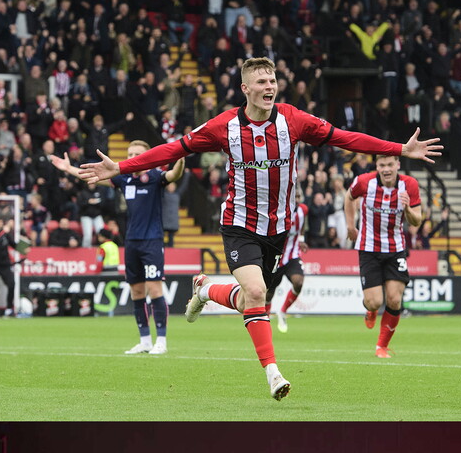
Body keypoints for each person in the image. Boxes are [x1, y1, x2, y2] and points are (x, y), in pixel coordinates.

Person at [77, 57, 441, 400]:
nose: (270, 86)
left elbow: (345, 138)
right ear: (245, 89)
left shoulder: (293, 120)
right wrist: (122, 167)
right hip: (239, 224)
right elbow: (175, 149)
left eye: (273, 80)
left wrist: (398, 148)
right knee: (255, 292)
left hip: (278, 230)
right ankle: (273, 373)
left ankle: (206, 289)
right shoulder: (224, 126)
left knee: (255, 300)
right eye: (262, 82)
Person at [54, 141, 185, 355]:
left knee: (154, 289)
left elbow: (174, 176)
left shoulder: (154, 177)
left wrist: (180, 160)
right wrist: (68, 169)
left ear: (148, 156)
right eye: (130, 153)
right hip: (131, 242)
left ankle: (161, 340)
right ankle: (144, 340)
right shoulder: (123, 178)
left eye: (138, 154)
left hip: (152, 241)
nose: (133, 157)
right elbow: (93, 175)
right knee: (136, 291)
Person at [344, 153, 424, 358]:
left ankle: (381, 346)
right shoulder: (364, 182)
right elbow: (349, 197)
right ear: (376, 166)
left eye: (390, 164)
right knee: (374, 302)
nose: (386, 169)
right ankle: (369, 310)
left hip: (395, 248)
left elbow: (417, 221)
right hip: (368, 247)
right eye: (382, 165)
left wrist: (407, 208)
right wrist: (350, 225)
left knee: (395, 300)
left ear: (398, 164)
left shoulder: (410, 185)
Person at [265, 191, 308, 333]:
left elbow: (301, 227)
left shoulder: (303, 210)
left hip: (292, 256)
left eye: (298, 197)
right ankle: (265, 320)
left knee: (299, 282)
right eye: (293, 197)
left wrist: (301, 241)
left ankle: (282, 311)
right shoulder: (277, 212)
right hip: (276, 257)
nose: (296, 200)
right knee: (268, 293)